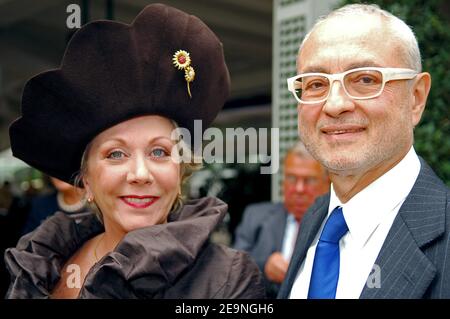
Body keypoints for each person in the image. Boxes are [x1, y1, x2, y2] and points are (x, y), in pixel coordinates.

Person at [5, 4, 265, 299]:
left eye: (159, 152)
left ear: (180, 170)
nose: (140, 174)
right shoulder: (44, 260)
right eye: (116, 154)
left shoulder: (226, 279)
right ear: (86, 181)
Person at [279, 4, 450, 299]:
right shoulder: (316, 218)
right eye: (316, 84)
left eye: (365, 80)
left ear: (416, 98)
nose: (334, 105)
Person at [233, 142, 329, 298]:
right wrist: (264, 267)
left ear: (328, 182)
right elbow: (233, 268)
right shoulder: (255, 216)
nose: (298, 189)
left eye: (309, 180)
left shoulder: (337, 223)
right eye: (291, 178)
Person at [21, 177, 89, 234]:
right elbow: (27, 245)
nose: (59, 173)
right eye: (55, 168)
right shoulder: (41, 206)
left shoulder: (97, 203)